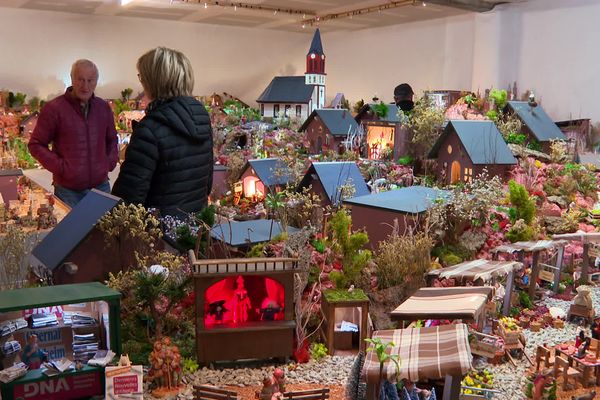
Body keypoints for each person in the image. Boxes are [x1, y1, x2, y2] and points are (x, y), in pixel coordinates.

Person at [112, 47, 213, 217]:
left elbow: (128, 199)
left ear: (153, 81)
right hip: (193, 230)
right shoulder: (202, 119)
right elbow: (207, 183)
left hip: (158, 235)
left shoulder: (150, 128)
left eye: (142, 77)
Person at [28, 59, 118, 207]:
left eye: (90, 80)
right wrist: (62, 168)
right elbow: (36, 144)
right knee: (72, 231)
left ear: (96, 81)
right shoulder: (54, 109)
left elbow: (112, 139)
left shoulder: (103, 108)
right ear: (72, 79)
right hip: (68, 191)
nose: (85, 86)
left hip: (101, 187)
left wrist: (108, 163)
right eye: (81, 79)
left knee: (102, 230)